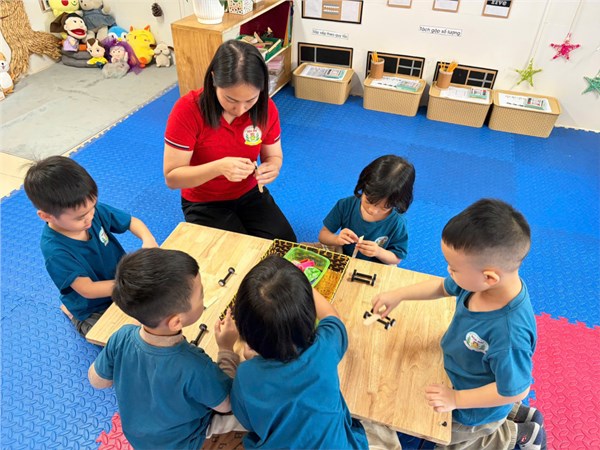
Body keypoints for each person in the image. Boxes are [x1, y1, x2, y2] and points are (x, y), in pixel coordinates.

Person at [372, 199, 546, 450]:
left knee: (450, 441)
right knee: (506, 377)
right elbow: (441, 287)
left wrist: (456, 399)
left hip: (471, 413)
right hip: (463, 374)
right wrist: (398, 295)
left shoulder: (509, 333)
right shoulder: (479, 283)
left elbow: (514, 391)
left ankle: (520, 435)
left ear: (489, 277)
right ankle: (518, 414)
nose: (449, 271)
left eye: (453, 268)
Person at [230, 255, 401, 450]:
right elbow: (332, 317)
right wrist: (303, 286)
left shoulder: (245, 375)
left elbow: (247, 422)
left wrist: (231, 352)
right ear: (308, 317)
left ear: (244, 330)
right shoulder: (324, 348)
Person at [88, 248, 244, 450]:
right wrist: (225, 349)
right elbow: (227, 404)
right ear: (176, 322)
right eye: (201, 296)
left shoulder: (121, 336)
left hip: (139, 439)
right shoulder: (196, 365)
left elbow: (97, 381)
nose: (203, 298)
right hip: (183, 442)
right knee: (251, 415)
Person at [163, 39, 296, 242]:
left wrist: (273, 166)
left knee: (284, 245)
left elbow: (274, 155)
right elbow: (172, 178)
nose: (240, 109)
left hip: (250, 192)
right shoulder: (188, 110)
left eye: (250, 100)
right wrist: (218, 168)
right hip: (203, 201)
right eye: (231, 99)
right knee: (235, 253)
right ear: (214, 79)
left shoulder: (266, 107)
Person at [23, 156, 158, 337]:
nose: (90, 217)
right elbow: (88, 289)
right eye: (80, 217)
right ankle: (73, 314)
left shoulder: (89, 210)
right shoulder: (55, 251)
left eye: (92, 207)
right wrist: (130, 285)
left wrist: (148, 239)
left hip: (120, 282)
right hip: (93, 306)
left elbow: (132, 222)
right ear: (46, 216)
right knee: (119, 339)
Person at [318, 154, 415, 265]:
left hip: (375, 265)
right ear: (363, 186)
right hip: (343, 256)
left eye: (384, 207)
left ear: (398, 202)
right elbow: (323, 235)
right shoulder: (346, 205)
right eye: (369, 201)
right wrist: (337, 239)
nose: (372, 210)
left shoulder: (397, 223)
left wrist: (378, 252)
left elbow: (396, 258)